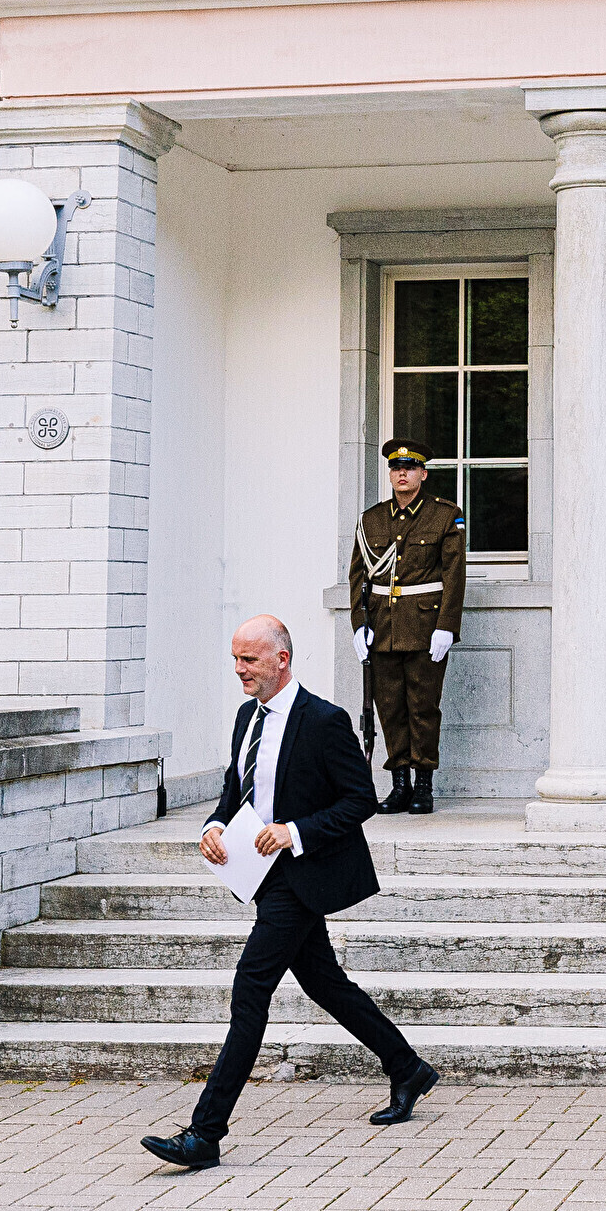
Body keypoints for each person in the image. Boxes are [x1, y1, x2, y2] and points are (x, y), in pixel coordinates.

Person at [140, 615, 436, 1170]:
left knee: (250, 989)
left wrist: (294, 832)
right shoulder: (245, 718)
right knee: (326, 984)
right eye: (235, 658)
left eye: (248, 659)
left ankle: (205, 1133)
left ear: (281, 659)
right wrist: (213, 826)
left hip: (304, 876)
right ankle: (407, 1067)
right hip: (262, 876)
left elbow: (360, 800)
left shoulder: (324, 720)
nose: (238, 669)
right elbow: (236, 790)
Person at [348, 439, 466, 815]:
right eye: (396, 468)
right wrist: (359, 624)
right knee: (390, 707)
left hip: (425, 626)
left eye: (410, 468)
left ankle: (423, 785)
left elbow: (454, 575)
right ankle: (400, 784)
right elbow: (358, 577)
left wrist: (446, 626)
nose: (402, 474)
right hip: (382, 626)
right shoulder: (371, 520)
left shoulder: (445, 515)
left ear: (423, 474)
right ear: (390, 475)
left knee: (423, 707)